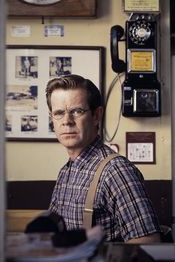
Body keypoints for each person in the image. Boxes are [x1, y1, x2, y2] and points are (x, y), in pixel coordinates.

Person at [45, 74, 161, 243]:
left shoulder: (116, 171)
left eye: (77, 111)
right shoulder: (66, 171)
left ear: (96, 116)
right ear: (52, 120)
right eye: (59, 113)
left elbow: (148, 242)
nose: (67, 121)